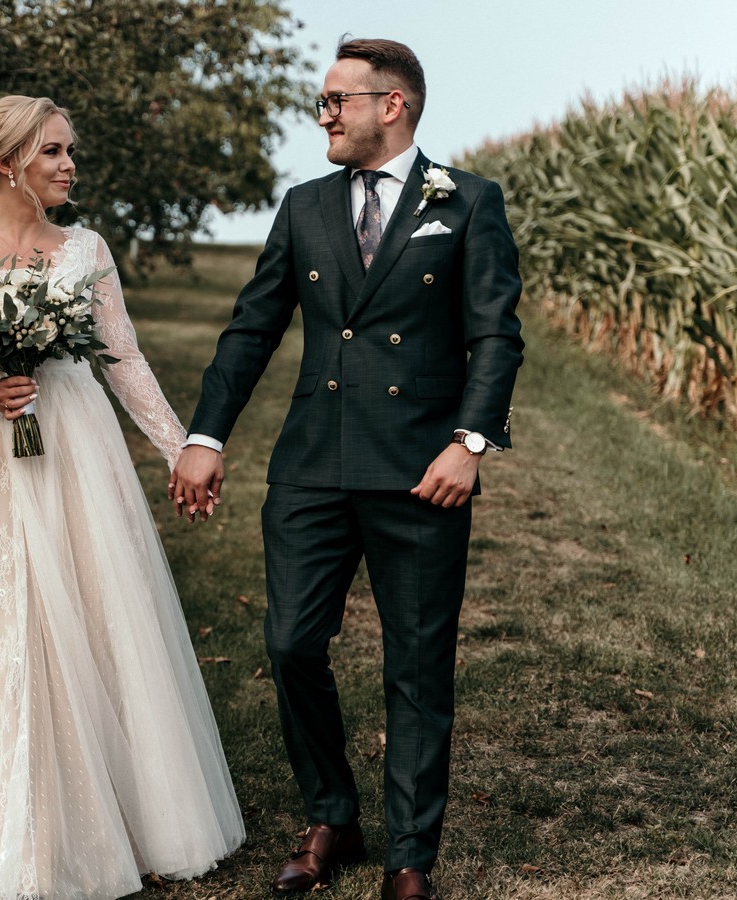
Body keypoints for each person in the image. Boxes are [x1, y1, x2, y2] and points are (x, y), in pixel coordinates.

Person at [170, 39, 524, 900]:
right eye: (322, 102)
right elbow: (253, 328)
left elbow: (495, 335)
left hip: (421, 469)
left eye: (337, 101)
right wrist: (206, 435)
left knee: (418, 666)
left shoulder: (469, 201)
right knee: (291, 643)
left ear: (391, 105)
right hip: (313, 465)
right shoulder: (305, 206)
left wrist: (470, 443)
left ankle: (409, 858)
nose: (323, 116)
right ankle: (332, 814)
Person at [0, 95, 244, 900]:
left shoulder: (85, 249)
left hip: (76, 449)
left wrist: (182, 450)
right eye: (53, 151)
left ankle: (120, 810)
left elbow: (122, 358)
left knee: (95, 610)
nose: (69, 165)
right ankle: (10, 815)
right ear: (6, 163)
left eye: (69, 151)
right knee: (1, 619)